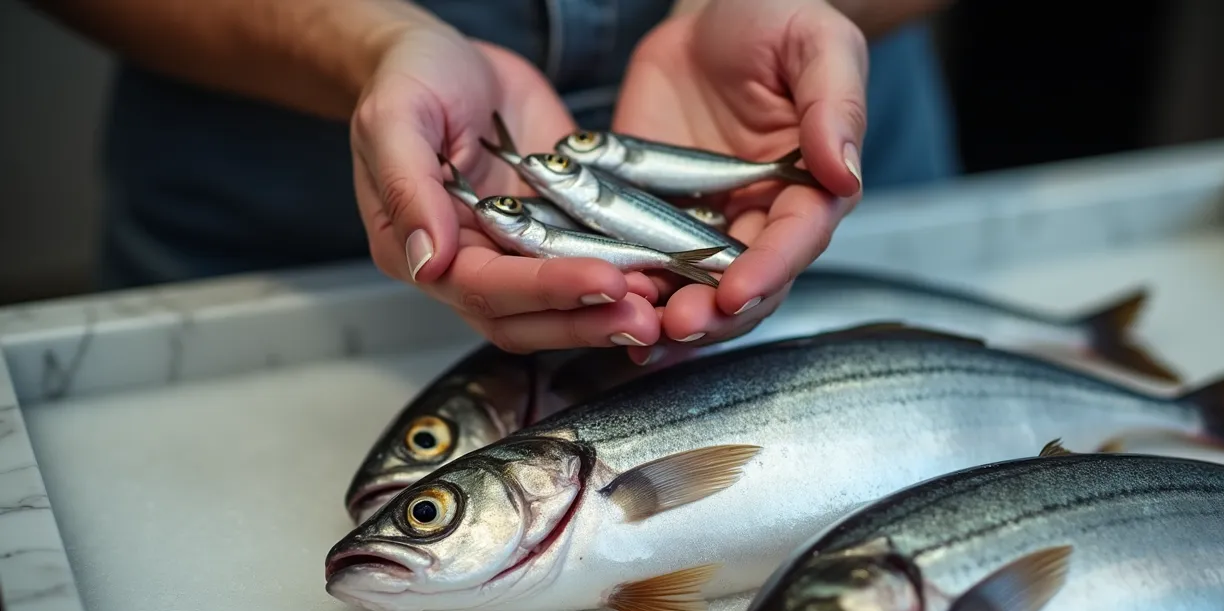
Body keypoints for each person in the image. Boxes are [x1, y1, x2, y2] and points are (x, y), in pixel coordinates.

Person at [32, 0, 957, 364]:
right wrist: (367, 44)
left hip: (825, 146)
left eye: (549, 176)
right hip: (263, 240)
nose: (540, 184)